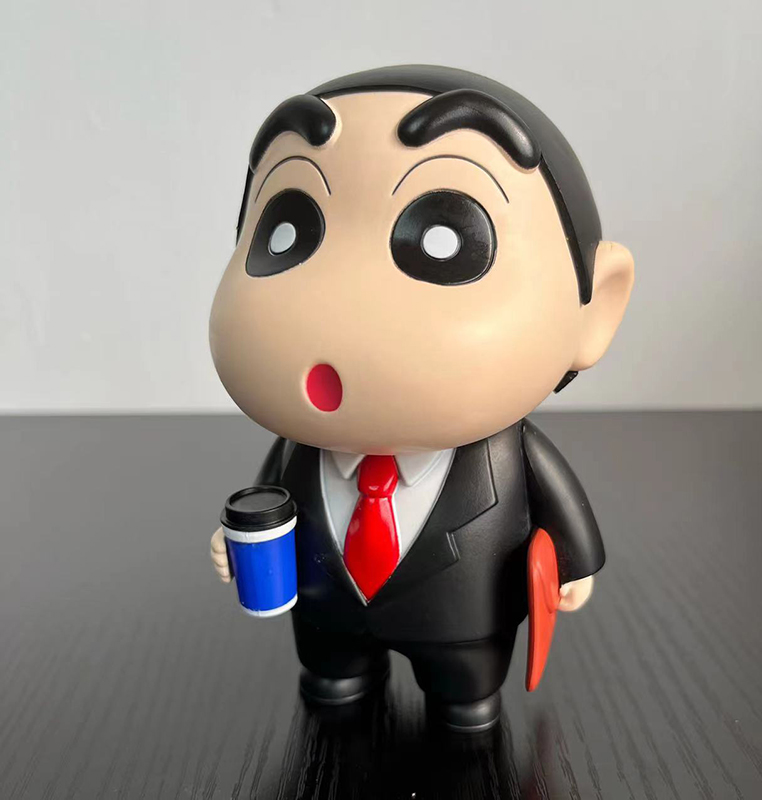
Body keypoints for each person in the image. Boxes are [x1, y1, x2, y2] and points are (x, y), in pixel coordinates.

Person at [208, 65, 634, 732]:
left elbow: (558, 508)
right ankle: (338, 675)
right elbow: (270, 501)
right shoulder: (298, 451)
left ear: (596, 308)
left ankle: (465, 703)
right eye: (288, 229)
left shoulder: (508, 455)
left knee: (464, 701)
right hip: (327, 606)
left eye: (448, 243)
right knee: (332, 678)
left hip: (460, 613)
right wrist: (237, 538)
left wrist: (573, 565)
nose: (340, 301)